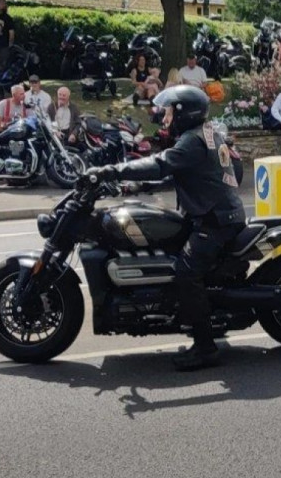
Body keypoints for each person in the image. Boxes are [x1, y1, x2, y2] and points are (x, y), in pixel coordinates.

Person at [89, 86, 245, 371]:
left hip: (214, 221)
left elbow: (162, 164)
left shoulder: (192, 140)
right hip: (213, 213)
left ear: (185, 113)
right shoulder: (207, 132)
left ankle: (206, 347)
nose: (164, 117)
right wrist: (136, 182)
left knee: (186, 272)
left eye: (170, 111)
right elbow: (183, 170)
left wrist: (112, 170)